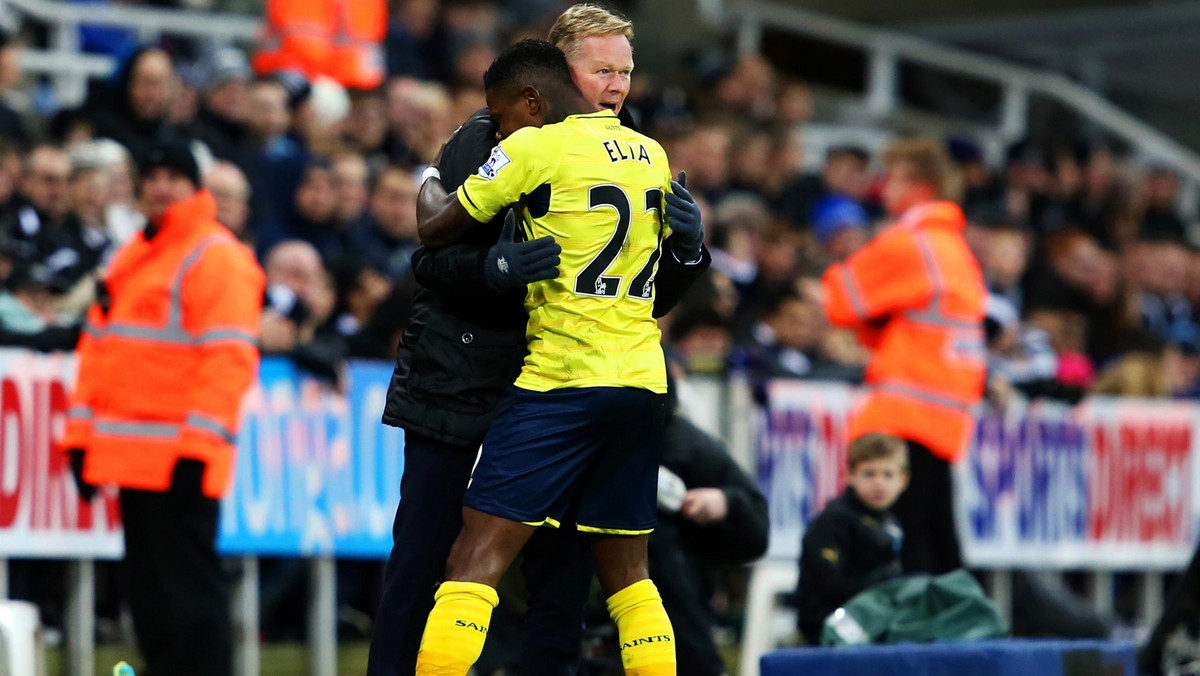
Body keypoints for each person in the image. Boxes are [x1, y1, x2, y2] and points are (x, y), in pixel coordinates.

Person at [370, 8, 711, 675]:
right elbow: (430, 261)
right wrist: (495, 270)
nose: (617, 86)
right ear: (557, 71)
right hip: (466, 377)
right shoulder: (491, 134)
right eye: (602, 69)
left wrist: (690, 253)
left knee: (560, 572)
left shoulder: (628, 146)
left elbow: (647, 295)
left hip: (554, 382)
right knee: (426, 555)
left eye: (625, 72)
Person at [57, 139, 265, 676]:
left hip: (178, 458)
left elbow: (228, 361)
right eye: (150, 175)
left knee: (189, 601)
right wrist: (81, 442)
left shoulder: (214, 255)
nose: (159, 186)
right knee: (151, 601)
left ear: (194, 185)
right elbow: (99, 355)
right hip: (133, 462)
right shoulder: (134, 256)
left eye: (172, 175)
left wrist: (199, 447)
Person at [820, 137, 986, 575]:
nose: (883, 189)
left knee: (904, 543)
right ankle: (959, 633)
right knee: (939, 537)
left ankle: (921, 638)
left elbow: (841, 300)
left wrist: (841, 260)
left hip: (905, 411)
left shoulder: (912, 242)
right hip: (945, 413)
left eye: (891, 178)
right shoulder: (955, 248)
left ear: (917, 183)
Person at [651, 377, 768, 674]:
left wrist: (725, 503)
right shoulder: (557, 440)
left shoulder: (683, 443)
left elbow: (756, 533)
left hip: (679, 632)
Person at [794, 433, 908, 645]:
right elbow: (827, 587)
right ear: (849, 475)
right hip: (830, 621)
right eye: (869, 474)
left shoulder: (891, 524)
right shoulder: (833, 520)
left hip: (872, 614)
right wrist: (882, 581)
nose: (878, 483)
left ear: (903, 480)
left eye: (888, 475)